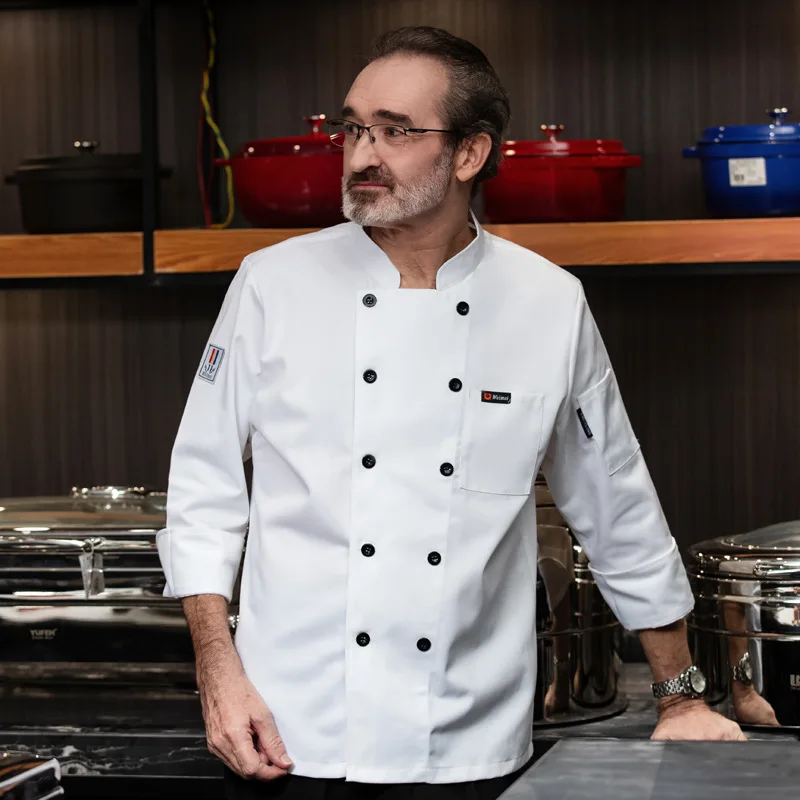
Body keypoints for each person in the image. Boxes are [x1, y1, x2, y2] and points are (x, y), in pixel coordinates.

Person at [157, 25, 746, 800]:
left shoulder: (547, 302)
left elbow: (616, 505)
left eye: (395, 131)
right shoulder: (271, 284)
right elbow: (203, 493)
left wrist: (682, 697)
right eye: (353, 128)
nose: (361, 155)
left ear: (470, 153)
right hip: (287, 733)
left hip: (469, 740)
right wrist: (217, 671)